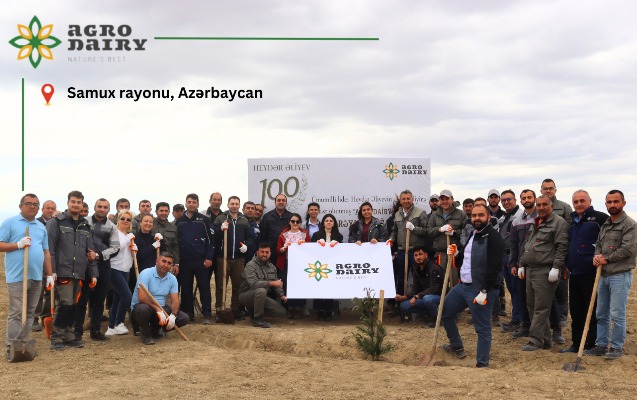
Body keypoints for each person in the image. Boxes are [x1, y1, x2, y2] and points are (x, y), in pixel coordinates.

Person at [440, 203, 505, 368]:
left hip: (480, 289)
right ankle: (456, 346)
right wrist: (456, 253)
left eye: (480, 215)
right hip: (463, 286)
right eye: (474, 215)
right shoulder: (473, 234)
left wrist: (484, 291)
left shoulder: (494, 238)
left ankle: (482, 364)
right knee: (445, 312)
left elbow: (495, 268)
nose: (476, 218)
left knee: (482, 327)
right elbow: (464, 258)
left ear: (488, 217)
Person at [0, 193, 53, 360]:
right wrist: (18, 244)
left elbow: (46, 251)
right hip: (17, 277)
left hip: (36, 276)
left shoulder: (40, 226)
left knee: (30, 313)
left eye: (35, 204)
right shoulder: (10, 222)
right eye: (28, 203)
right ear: (20, 206)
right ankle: (11, 347)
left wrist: (50, 274)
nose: (32, 206)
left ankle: (23, 346)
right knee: (16, 313)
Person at [584, 190, 636, 360]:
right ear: (605, 204)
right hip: (603, 275)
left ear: (623, 203)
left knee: (617, 313)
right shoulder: (606, 224)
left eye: (616, 201)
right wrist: (596, 256)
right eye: (609, 202)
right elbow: (598, 244)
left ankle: (616, 347)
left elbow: (628, 249)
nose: (612, 205)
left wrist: (606, 259)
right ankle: (601, 344)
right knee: (601, 313)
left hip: (619, 275)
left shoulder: (630, 224)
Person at [47, 191, 98, 350]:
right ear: (68, 203)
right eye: (73, 202)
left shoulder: (86, 225)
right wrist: (51, 271)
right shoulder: (56, 222)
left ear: (82, 204)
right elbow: (50, 248)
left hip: (80, 271)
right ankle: (57, 337)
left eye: (79, 202)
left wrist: (94, 273)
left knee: (74, 304)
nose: (76, 205)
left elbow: (90, 251)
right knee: (66, 303)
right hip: (63, 270)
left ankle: (69, 335)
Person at [518, 195, 568, 351]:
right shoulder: (536, 222)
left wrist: (556, 267)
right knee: (532, 305)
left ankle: (535, 340)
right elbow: (528, 245)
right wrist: (522, 263)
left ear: (551, 206)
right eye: (538, 205)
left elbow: (562, 247)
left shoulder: (559, 223)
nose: (541, 207)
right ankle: (545, 340)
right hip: (530, 269)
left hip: (545, 270)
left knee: (541, 307)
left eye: (544, 204)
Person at [560, 190, 608, 353]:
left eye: (582, 200)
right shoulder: (572, 222)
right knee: (576, 310)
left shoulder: (600, 219)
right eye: (576, 202)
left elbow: (609, 240)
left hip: (591, 273)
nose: (579, 204)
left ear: (590, 201)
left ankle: (592, 343)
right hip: (574, 273)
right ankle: (576, 343)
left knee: (592, 310)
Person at [76, 198, 120, 342]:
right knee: (82, 299)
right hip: (85, 265)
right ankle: (77, 332)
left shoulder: (112, 226)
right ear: (94, 207)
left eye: (105, 207)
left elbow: (115, 248)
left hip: (103, 265)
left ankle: (95, 331)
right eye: (99, 206)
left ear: (108, 209)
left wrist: (98, 255)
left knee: (100, 300)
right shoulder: (84, 222)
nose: (102, 209)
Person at [130, 252, 189, 345]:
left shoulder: (172, 279)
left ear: (172, 266)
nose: (166, 265)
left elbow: (175, 300)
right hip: (143, 308)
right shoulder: (146, 273)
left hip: (161, 309)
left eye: (169, 263)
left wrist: (173, 315)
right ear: (157, 261)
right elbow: (142, 298)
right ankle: (145, 334)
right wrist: (157, 309)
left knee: (183, 318)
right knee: (143, 309)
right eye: (163, 261)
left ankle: (155, 329)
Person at [176, 193, 215, 324]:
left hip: (201, 261)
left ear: (198, 204)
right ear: (186, 203)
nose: (191, 204)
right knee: (186, 288)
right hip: (185, 261)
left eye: (194, 202)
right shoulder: (179, 221)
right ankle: (188, 314)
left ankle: (207, 314)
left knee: (204, 287)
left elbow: (211, 241)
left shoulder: (204, 220)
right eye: (189, 202)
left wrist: (209, 258)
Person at [213, 196, 253, 321]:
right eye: (232, 203)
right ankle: (220, 310)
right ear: (228, 205)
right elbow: (213, 235)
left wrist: (246, 246)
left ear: (239, 205)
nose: (234, 206)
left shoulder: (244, 220)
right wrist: (220, 229)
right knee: (221, 285)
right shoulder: (221, 218)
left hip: (239, 258)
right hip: (223, 258)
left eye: (236, 204)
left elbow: (250, 237)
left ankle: (235, 309)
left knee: (238, 285)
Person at [540, 178, 572, 327]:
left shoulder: (565, 207)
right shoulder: (539, 207)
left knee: (561, 289)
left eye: (550, 188)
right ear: (541, 190)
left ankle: (562, 317)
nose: (548, 191)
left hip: (560, 254)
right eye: (545, 188)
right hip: (544, 256)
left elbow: (570, 229)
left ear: (555, 190)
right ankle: (550, 317)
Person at [507, 189, 537, 338]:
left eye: (529, 197)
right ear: (521, 201)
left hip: (538, 264)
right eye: (524, 198)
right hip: (521, 265)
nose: (527, 200)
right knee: (522, 295)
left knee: (542, 298)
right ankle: (526, 325)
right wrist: (513, 264)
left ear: (534, 198)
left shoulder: (541, 217)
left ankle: (554, 327)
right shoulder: (517, 221)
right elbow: (513, 244)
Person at [390, 190, 429, 298]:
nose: (406, 201)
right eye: (403, 199)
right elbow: (394, 231)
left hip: (416, 251)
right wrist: (391, 239)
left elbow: (426, 231)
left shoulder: (420, 212)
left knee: (418, 276)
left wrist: (414, 228)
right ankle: (400, 302)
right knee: (401, 277)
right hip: (402, 251)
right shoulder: (397, 214)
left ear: (412, 199)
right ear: (400, 201)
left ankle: (419, 301)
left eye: (408, 198)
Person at [239, 243, 288, 328]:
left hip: (261, 297)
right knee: (261, 290)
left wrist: (282, 295)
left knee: (281, 312)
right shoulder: (250, 265)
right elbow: (253, 284)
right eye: (262, 252)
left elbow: (276, 283)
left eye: (267, 252)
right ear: (257, 252)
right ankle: (257, 319)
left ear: (270, 253)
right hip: (246, 296)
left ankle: (253, 311)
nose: (264, 254)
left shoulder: (272, 267)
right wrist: (271, 283)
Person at [427, 189, 466, 288]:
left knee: (455, 280)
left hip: (454, 253)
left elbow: (466, 232)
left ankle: (455, 297)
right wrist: (439, 229)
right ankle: (442, 298)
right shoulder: (435, 215)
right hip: (440, 254)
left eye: (447, 199)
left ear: (452, 199)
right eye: (442, 199)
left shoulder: (461, 214)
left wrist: (454, 232)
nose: (444, 201)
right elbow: (429, 231)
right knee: (441, 282)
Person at [395, 246, 443, 327]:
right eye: (416, 255)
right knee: (404, 305)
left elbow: (434, 288)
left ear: (426, 255)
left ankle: (437, 319)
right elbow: (415, 288)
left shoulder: (433, 268)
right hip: (423, 297)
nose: (418, 257)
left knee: (428, 299)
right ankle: (427, 314)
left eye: (420, 254)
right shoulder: (416, 268)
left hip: (439, 297)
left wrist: (417, 296)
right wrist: (404, 297)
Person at [497, 190, 524, 333]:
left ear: (515, 200)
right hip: (504, 256)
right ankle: (516, 318)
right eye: (503, 200)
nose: (506, 202)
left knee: (518, 289)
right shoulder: (503, 217)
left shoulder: (520, 216)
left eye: (509, 199)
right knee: (512, 289)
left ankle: (519, 320)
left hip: (515, 257)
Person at [105, 209, 135, 337]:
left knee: (118, 298)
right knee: (127, 296)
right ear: (118, 219)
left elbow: (127, 253)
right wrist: (128, 239)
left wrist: (134, 248)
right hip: (114, 268)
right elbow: (116, 248)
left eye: (128, 219)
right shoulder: (114, 232)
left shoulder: (128, 236)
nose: (125, 221)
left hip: (125, 269)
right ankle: (119, 323)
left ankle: (111, 327)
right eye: (123, 218)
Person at [275, 212, 310, 318]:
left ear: (300, 223)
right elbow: (278, 249)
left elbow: (310, 249)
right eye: (293, 221)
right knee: (286, 284)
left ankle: (299, 308)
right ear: (289, 222)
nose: (295, 223)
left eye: (297, 221)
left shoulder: (304, 234)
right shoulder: (283, 234)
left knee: (300, 284)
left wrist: (305, 246)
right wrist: (284, 248)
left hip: (300, 263)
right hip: (286, 262)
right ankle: (289, 308)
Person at [311, 214, 344, 321]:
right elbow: (310, 249)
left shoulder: (339, 236)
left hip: (332, 265)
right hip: (319, 265)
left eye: (331, 221)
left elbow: (342, 251)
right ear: (323, 223)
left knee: (330, 287)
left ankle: (329, 311)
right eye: (326, 220)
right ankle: (320, 311)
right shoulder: (316, 235)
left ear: (334, 223)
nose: (329, 222)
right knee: (319, 286)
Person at [33, 199, 58, 332]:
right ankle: (34, 318)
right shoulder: (36, 223)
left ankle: (46, 316)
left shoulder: (56, 223)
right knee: (38, 291)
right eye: (48, 208)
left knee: (50, 290)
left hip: (52, 261)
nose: (50, 211)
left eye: (53, 208)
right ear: (42, 209)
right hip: (38, 262)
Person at [130, 214, 165, 294]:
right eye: (146, 221)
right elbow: (139, 256)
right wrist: (152, 247)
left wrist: (162, 241)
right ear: (140, 223)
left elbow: (164, 253)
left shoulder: (154, 238)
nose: (148, 223)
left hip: (153, 273)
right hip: (139, 273)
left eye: (150, 222)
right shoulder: (135, 238)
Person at [260, 194, 292, 262]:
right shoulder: (267, 216)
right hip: (270, 252)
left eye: (283, 200)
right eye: (279, 200)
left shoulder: (291, 217)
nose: (281, 202)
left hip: (286, 252)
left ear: (286, 203)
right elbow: (262, 235)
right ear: (275, 202)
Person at [151, 202, 180, 274]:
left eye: (166, 211)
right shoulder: (150, 224)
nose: (164, 213)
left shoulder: (173, 227)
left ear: (169, 212)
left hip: (167, 262)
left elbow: (175, 246)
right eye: (161, 211)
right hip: (152, 260)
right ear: (156, 212)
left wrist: (176, 263)